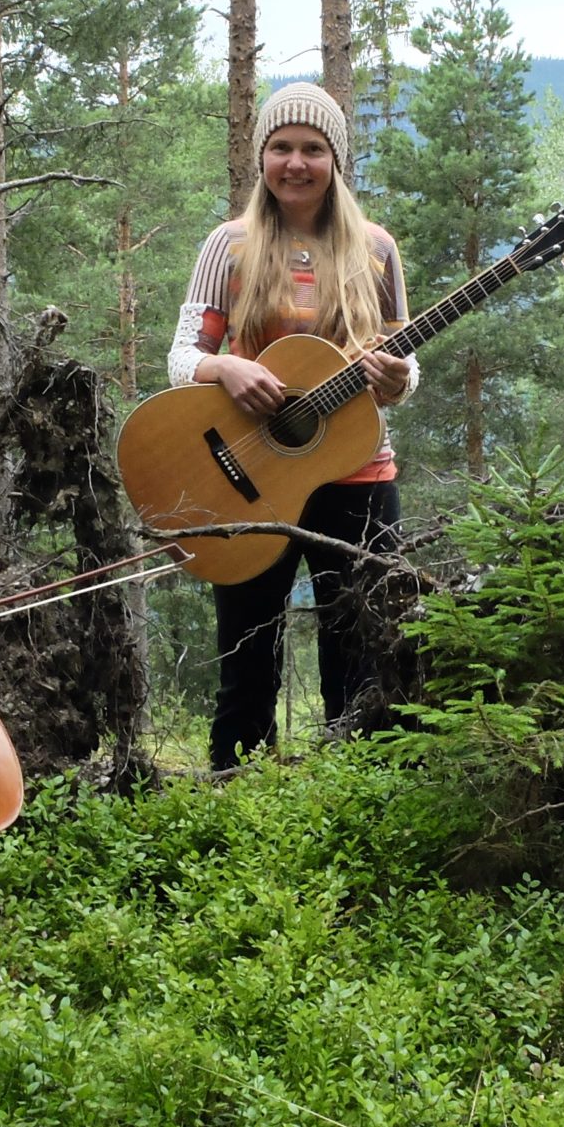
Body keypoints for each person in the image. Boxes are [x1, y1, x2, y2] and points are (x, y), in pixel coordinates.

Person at [169, 82, 417, 770]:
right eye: (281, 147)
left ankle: (354, 792)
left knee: (363, 648)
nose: (296, 163)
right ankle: (235, 788)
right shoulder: (230, 246)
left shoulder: (375, 249)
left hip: (359, 474)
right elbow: (181, 356)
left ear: (335, 160)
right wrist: (226, 371)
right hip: (247, 475)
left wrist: (398, 378)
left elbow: (403, 360)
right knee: (246, 652)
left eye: (312, 149)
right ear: (262, 159)